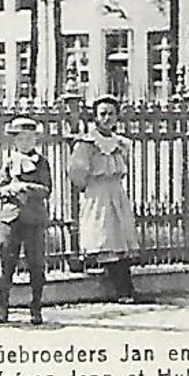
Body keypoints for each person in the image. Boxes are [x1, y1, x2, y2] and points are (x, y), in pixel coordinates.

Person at [67, 95, 141, 303]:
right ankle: (122, 290)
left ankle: (127, 289)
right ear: (95, 118)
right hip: (98, 193)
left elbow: (123, 167)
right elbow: (77, 172)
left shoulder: (120, 143)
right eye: (103, 114)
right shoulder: (87, 143)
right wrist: (89, 186)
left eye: (111, 114)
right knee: (105, 238)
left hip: (116, 192)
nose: (107, 118)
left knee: (121, 240)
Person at [0, 116, 52, 325]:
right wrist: (11, 189)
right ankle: (3, 307)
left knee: (36, 264)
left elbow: (46, 189)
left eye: (29, 138)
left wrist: (27, 187)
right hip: (11, 220)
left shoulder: (41, 162)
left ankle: (36, 307)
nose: (25, 142)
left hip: (34, 220)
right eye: (20, 139)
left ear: (35, 139)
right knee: (6, 263)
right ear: (15, 141)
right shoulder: (9, 162)